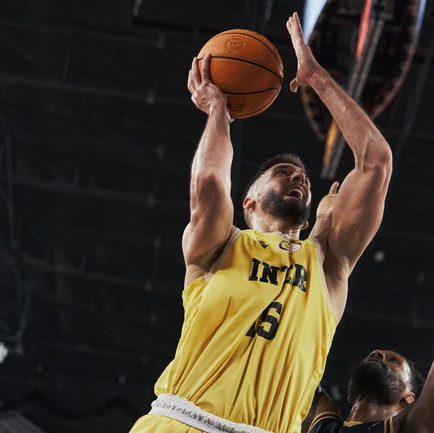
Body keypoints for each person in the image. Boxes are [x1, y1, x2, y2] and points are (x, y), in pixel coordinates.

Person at [128, 11, 393, 433]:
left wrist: (317, 77)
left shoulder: (327, 266)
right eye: (283, 172)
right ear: (248, 200)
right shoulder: (221, 245)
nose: (299, 177)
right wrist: (218, 111)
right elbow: (210, 183)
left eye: (303, 177)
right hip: (180, 421)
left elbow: (376, 162)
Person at [302, 199, 434, 433]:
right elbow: (293, 338)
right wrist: (323, 220)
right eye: (378, 355)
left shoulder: (413, 426)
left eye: (393, 361)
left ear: (409, 398)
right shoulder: (324, 425)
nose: (376, 353)